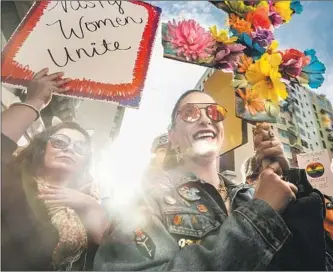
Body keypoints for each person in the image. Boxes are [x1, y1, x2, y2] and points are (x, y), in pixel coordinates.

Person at [94, 89, 300, 270]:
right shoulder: (144, 198)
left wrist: (285, 174)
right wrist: (259, 216)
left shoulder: (251, 194)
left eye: (214, 112)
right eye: (190, 113)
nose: (205, 119)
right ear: (172, 136)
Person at [1, 68, 108, 271]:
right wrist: (34, 101)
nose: (69, 148)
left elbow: (114, 254)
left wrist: (90, 205)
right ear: (42, 148)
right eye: (60, 142)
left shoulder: (86, 204)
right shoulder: (13, 181)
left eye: (80, 147)